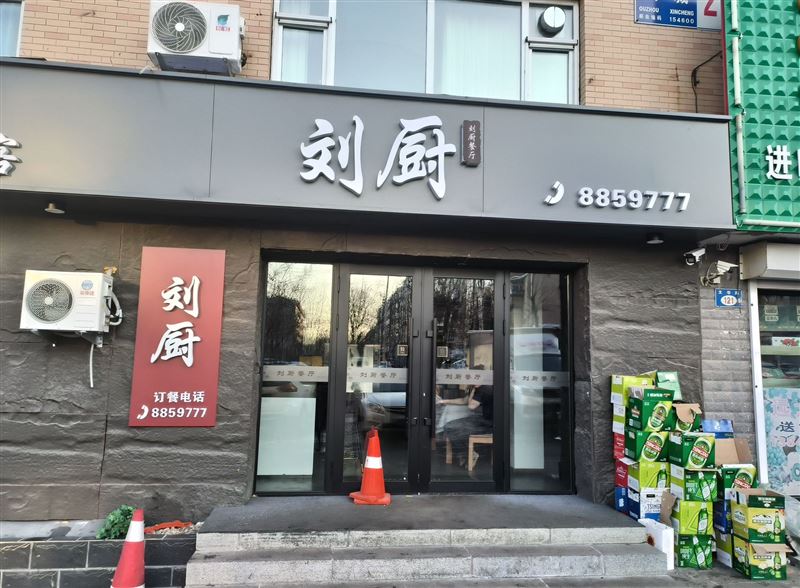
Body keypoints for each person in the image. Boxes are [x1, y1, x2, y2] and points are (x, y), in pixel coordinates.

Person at [443, 383, 493, 468]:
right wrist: (444, 401)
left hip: (488, 424)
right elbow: (464, 400)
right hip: (485, 420)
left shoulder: (484, 388)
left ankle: (468, 454)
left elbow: (471, 406)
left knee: (451, 428)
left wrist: (473, 390)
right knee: (450, 427)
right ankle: (467, 454)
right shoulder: (482, 387)